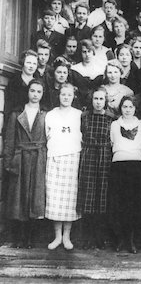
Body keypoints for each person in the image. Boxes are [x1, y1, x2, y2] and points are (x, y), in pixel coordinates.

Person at [4, 79, 47, 248]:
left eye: (39, 92)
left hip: (38, 159)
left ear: (42, 94)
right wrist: (8, 162)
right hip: (20, 158)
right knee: (19, 198)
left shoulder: (46, 113)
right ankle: (19, 237)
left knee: (34, 198)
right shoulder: (17, 113)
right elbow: (9, 140)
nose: (35, 95)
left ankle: (30, 238)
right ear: (27, 92)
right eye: (32, 91)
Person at [108, 96, 141, 253]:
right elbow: (112, 142)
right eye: (125, 107)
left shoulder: (140, 125)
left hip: (136, 166)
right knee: (119, 204)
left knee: (133, 204)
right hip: (119, 165)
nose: (128, 110)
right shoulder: (115, 125)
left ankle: (131, 240)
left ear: (135, 108)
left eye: (131, 107)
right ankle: (120, 240)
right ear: (121, 108)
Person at [45, 83, 82, 250]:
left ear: (73, 96)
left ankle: (67, 236)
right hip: (54, 157)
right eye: (63, 94)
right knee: (55, 196)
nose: (66, 97)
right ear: (58, 96)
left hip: (73, 157)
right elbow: (47, 135)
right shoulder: (51, 115)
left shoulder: (79, 115)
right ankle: (57, 236)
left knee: (69, 198)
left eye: (69, 95)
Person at [77, 87, 113, 249]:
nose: (98, 102)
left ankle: (101, 236)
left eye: (101, 99)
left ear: (105, 101)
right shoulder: (84, 117)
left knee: (102, 195)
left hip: (105, 156)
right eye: (95, 99)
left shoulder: (111, 118)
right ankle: (88, 237)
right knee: (88, 194)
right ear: (91, 100)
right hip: (89, 154)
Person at [4, 50, 38, 118]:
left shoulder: (38, 84)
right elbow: (9, 106)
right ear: (23, 63)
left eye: (34, 64)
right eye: (28, 63)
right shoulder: (14, 82)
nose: (31, 66)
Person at [71, 39, 105, 108]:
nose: (87, 54)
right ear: (80, 53)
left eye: (89, 51)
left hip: (96, 104)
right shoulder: (74, 69)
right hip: (78, 104)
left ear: (93, 52)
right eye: (84, 52)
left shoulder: (101, 69)